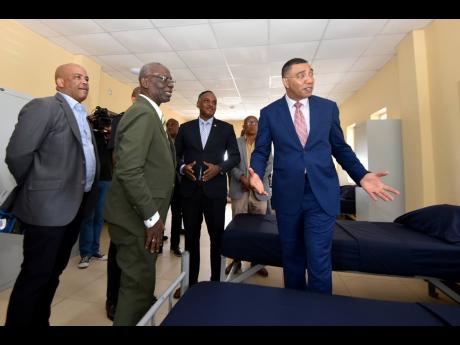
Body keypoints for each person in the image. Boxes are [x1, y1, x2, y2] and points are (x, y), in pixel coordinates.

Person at [249, 58, 400, 294]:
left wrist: (362, 176)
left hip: (321, 193)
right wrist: (255, 173)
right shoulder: (269, 113)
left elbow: (340, 148)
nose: (309, 79)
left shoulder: (327, 108)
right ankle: (296, 310)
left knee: (319, 260)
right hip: (288, 194)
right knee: (292, 258)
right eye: (301, 75)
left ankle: (320, 314)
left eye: (311, 73)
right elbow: (261, 151)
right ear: (285, 82)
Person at [4, 63, 99, 326]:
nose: (85, 81)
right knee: (35, 276)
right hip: (47, 208)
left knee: (53, 273)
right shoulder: (44, 107)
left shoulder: (81, 115)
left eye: (87, 78)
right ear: (59, 82)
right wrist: (38, 184)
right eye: (77, 77)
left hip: (75, 207)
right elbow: (17, 154)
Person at [104, 62, 176, 325]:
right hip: (136, 220)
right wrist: (151, 218)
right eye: (163, 78)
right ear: (145, 82)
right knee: (136, 289)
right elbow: (129, 170)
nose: (170, 84)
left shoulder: (152, 115)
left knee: (143, 286)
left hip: (141, 217)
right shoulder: (143, 113)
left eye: (171, 80)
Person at [174, 90, 240, 297]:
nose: (211, 105)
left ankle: (215, 283)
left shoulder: (226, 129)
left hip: (215, 192)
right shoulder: (185, 129)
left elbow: (235, 157)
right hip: (190, 191)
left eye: (214, 102)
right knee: (191, 238)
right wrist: (184, 168)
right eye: (207, 101)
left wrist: (219, 168)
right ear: (198, 103)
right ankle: (190, 284)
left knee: (216, 238)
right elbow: (175, 157)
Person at [104, 86, 139, 321]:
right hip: (125, 195)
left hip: (143, 198)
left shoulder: (154, 121)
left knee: (139, 253)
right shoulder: (122, 120)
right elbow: (118, 159)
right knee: (118, 249)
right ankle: (112, 300)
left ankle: (136, 297)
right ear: (135, 99)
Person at [226, 115, 273, 277]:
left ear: (259, 126)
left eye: (255, 122)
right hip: (240, 190)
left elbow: (269, 165)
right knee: (238, 228)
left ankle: (257, 262)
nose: (252, 124)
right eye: (248, 122)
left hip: (259, 193)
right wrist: (242, 178)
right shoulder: (236, 142)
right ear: (244, 126)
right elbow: (231, 164)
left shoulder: (265, 144)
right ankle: (236, 260)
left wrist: (254, 181)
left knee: (258, 228)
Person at [77, 107, 113, 268]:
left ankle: (95, 249)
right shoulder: (87, 134)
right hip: (91, 179)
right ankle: (85, 253)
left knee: (99, 217)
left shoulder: (109, 137)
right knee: (88, 217)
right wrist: (89, 124)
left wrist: (108, 131)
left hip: (106, 179)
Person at [165, 118, 184, 257]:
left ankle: (175, 245)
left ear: (178, 127)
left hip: (178, 184)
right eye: (168, 125)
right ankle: (157, 242)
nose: (170, 126)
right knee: (160, 214)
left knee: (177, 216)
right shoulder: (162, 141)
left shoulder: (182, 143)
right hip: (163, 185)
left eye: (173, 124)